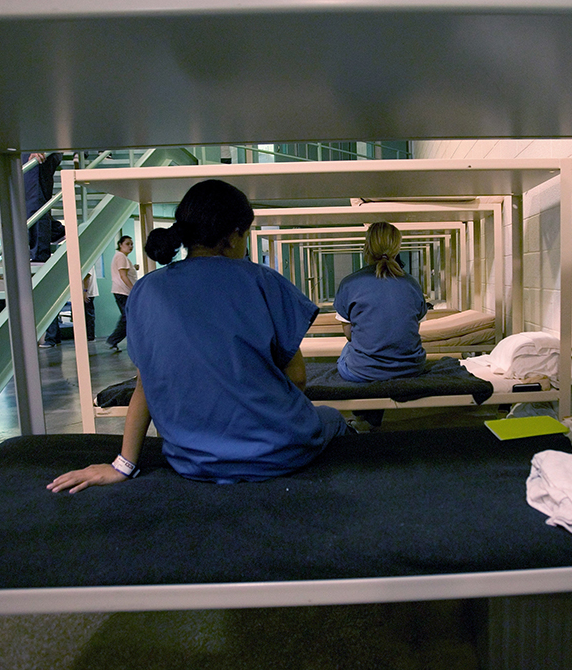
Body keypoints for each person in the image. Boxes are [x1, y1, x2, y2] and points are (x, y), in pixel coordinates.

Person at [48, 179, 350, 493]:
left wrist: (122, 465)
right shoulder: (264, 282)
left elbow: (145, 385)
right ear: (234, 238)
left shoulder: (147, 291)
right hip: (278, 452)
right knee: (332, 418)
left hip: (193, 461)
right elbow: (298, 378)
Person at [333, 222, 428, 429]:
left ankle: (362, 419)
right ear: (397, 248)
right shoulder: (412, 284)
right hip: (411, 368)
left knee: (350, 350)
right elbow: (410, 329)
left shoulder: (350, 283)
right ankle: (368, 419)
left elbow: (349, 335)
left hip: (363, 371)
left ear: (366, 247)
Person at [23, 151, 63, 263]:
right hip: (29, 147)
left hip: (38, 147)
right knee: (29, 199)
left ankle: (39, 254)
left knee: (35, 200)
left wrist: (39, 145)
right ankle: (54, 231)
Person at [105, 235, 137, 352]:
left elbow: (125, 273)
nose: (130, 246)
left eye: (131, 244)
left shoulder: (121, 257)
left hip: (122, 292)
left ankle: (114, 341)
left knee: (128, 317)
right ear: (120, 245)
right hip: (123, 292)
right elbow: (123, 276)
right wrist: (134, 289)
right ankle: (113, 340)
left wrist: (134, 267)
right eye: (127, 244)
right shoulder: (121, 257)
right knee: (127, 318)